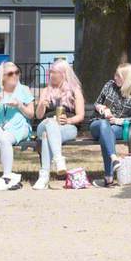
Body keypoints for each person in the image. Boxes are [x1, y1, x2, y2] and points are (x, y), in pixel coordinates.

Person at [0, 61, 34, 191]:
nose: (15, 75)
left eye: (17, 72)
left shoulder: (24, 90)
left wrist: (19, 105)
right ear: (2, 77)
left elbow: (31, 114)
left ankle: (7, 176)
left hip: (19, 126)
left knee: (4, 139)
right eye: (10, 73)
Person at [88, 62, 131, 187]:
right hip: (97, 123)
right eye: (115, 75)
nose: (115, 78)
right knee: (103, 125)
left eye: (118, 76)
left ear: (127, 78)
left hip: (118, 127)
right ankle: (113, 159)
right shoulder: (109, 85)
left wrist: (118, 121)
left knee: (107, 134)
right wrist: (102, 109)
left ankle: (109, 178)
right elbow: (97, 104)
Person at [33, 58, 85, 190]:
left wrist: (68, 120)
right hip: (44, 124)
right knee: (49, 124)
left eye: (54, 72)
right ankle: (58, 158)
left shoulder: (75, 90)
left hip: (67, 127)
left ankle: (44, 176)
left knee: (46, 136)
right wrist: (41, 105)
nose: (51, 75)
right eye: (50, 72)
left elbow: (80, 115)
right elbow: (38, 116)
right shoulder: (46, 90)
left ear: (63, 73)